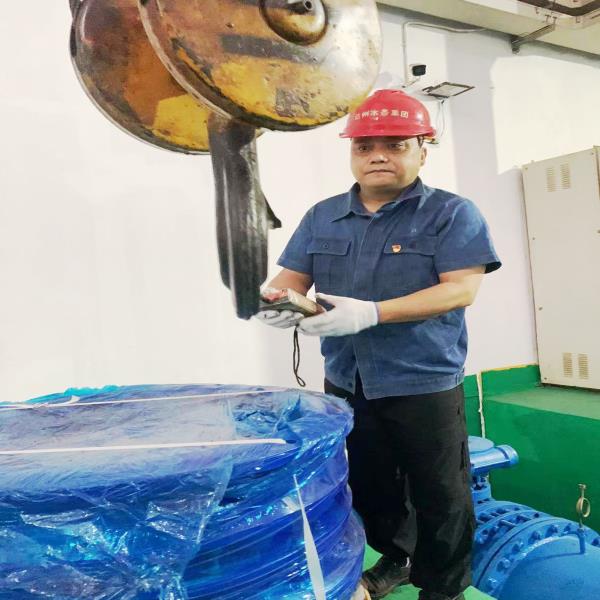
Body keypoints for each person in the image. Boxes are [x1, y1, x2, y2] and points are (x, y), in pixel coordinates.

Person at [256, 89, 501, 600]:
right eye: (364, 146)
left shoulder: (451, 214)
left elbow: (461, 289)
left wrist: (372, 313)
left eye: (395, 145)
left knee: (440, 491)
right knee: (371, 483)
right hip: (348, 378)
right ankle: (396, 559)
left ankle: (444, 587)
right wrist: (277, 304)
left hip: (422, 379)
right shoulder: (323, 216)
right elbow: (289, 281)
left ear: (422, 151)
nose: (378, 156)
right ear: (352, 153)